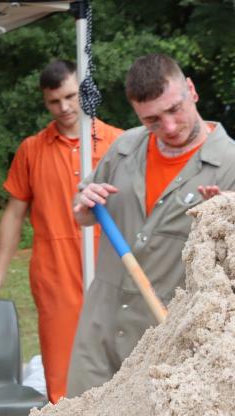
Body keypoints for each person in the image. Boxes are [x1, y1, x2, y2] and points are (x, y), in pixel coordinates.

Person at [70, 53, 235, 395]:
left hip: (166, 339)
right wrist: (85, 207)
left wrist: (224, 221)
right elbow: (83, 213)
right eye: (153, 121)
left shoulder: (230, 164)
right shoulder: (126, 147)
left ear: (191, 89)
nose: (169, 128)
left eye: (175, 109)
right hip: (99, 330)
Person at [0, 59, 122, 403]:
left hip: (111, 270)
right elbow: (13, 214)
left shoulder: (119, 143)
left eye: (71, 96)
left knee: (118, 366)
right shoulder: (32, 149)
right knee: (61, 374)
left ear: (84, 91)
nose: (64, 107)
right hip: (55, 274)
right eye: (54, 101)